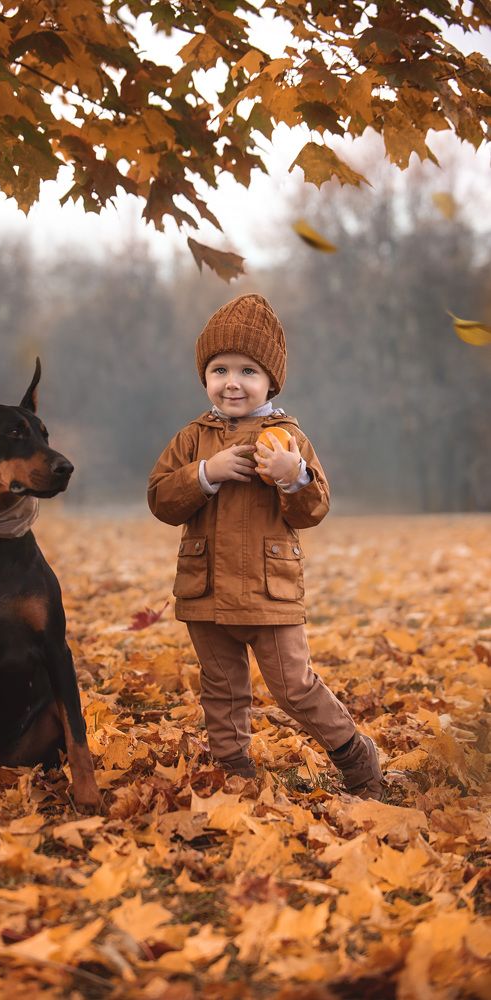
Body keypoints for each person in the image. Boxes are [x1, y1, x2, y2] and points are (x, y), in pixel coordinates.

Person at [147, 293, 386, 799]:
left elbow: (314, 508)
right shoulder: (193, 438)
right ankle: (235, 769)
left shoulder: (287, 436)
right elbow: (161, 499)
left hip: (267, 593)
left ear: (270, 381)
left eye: (248, 371)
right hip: (206, 590)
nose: (232, 382)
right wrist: (204, 475)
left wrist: (293, 477)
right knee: (222, 687)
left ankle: (355, 755)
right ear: (205, 376)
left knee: (294, 686)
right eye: (219, 369)